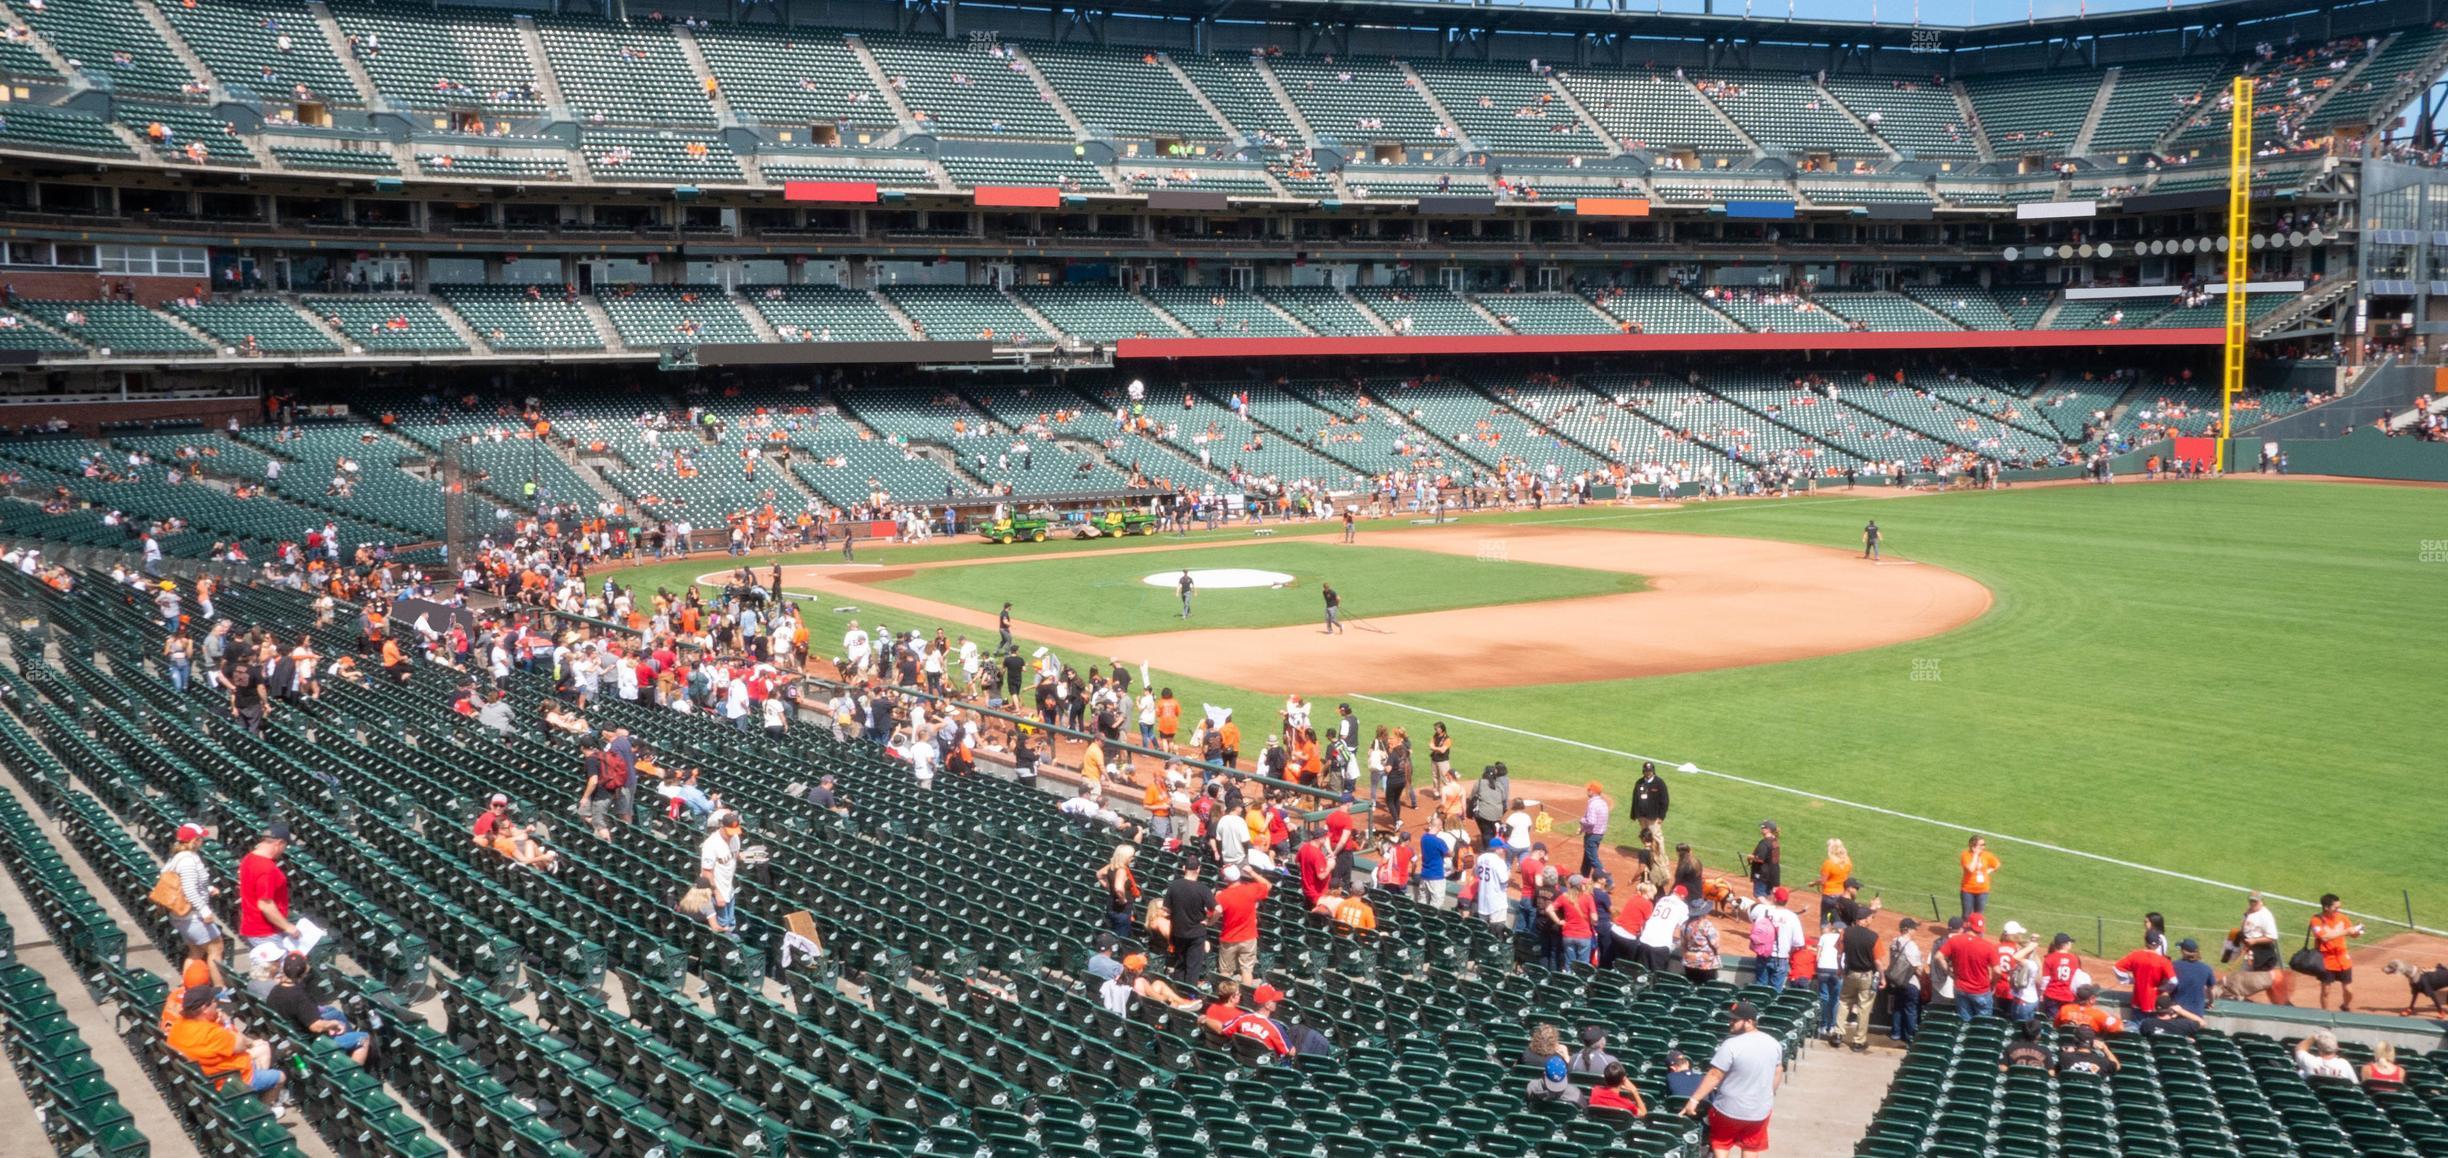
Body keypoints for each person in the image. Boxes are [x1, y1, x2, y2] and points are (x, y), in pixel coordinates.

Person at [1680, 1001, 1781, 1158]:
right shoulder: (1773, 1043)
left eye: (1735, 1020)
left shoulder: (1731, 1044)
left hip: (1729, 1109)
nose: (1730, 1023)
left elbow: (1715, 1075)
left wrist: (1694, 1100)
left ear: (1749, 1022)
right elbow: (1777, 1071)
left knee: (1721, 1143)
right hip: (1759, 1110)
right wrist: (1768, 1094)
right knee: (1751, 1147)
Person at [167, 987, 288, 1118]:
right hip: (231, 1080)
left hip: (207, 1074)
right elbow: (241, 1043)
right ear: (204, 1008)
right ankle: (260, 1112)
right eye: (214, 1001)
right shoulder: (211, 1033)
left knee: (262, 1047)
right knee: (280, 1077)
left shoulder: (178, 1026)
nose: (217, 1004)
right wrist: (227, 1023)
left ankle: (253, 1100)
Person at [265, 953, 370, 1066]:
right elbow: (315, 1026)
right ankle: (352, 1073)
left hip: (292, 1039)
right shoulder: (299, 996)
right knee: (363, 1037)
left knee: (335, 1015)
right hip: (311, 1043)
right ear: (305, 971)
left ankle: (348, 1050)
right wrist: (333, 1024)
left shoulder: (274, 992)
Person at [162, 823, 228, 988]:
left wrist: (208, 888)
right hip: (192, 916)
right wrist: (205, 911)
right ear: (194, 840)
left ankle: (188, 985)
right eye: (200, 838)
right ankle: (220, 990)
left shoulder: (178, 856)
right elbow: (189, 890)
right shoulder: (188, 860)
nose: (202, 841)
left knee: (196, 951)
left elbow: (184, 883)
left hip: (182, 915)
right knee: (216, 948)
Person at [236, 823, 298, 949]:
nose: (284, 850)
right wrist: (288, 927)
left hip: (252, 926)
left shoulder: (248, 858)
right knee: (276, 968)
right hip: (266, 932)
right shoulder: (267, 869)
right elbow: (265, 904)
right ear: (279, 843)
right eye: (284, 846)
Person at [1214, 863, 1269, 984]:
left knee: (1226, 971)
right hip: (1249, 937)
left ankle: (1227, 998)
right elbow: (1267, 885)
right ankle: (1246, 999)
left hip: (1229, 938)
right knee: (1247, 970)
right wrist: (1252, 872)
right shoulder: (1250, 889)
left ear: (1226, 879)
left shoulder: (1222, 896)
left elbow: (1211, 916)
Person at [2309, 893, 2364, 1011]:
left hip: (2343, 959)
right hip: (2326, 960)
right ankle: (2325, 1013)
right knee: (2326, 990)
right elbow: (2324, 937)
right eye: (2336, 908)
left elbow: (2352, 934)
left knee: (2348, 990)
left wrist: (2357, 931)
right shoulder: (2316, 920)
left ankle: (2345, 1006)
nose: (2338, 910)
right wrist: (2345, 931)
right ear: (2326, 907)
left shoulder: (2342, 917)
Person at [1940, 913, 1998, 1021]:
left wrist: (1950, 973)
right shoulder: (1988, 946)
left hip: (1961, 989)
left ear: (1967, 925)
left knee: (1965, 1024)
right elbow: (1997, 971)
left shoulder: (1954, 940)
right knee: (1983, 1026)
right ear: (1981, 929)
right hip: (1981, 991)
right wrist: (1993, 983)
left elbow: (1938, 957)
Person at [1161, 860, 1214, 979]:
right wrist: (1210, 921)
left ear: (1184, 868)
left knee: (1180, 964)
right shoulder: (1203, 889)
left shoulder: (1174, 885)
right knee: (1193, 968)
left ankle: (1179, 991)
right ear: (1198, 869)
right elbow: (1218, 909)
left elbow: (1166, 909)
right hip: (1196, 933)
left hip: (1179, 931)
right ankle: (1190, 995)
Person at [1836, 915, 1880, 1052]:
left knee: (1844, 1002)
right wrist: (1883, 977)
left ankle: (1838, 1034)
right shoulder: (1874, 936)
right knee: (1864, 1008)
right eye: (1870, 918)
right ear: (1865, 920)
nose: (1871, 920)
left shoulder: (1845, 932)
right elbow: (1878, 961)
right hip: (1866, 976)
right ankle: (1858, 1042)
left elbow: (1839, 953)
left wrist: (1839, 968)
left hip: (1850, 974)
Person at [698, 810, 742, 935]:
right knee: (723, 927)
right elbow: (706, 873)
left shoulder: (735, 838)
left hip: (729, 888)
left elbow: (736, 855)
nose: (732, 835)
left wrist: (752, 856)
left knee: (731, 923)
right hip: (716, 891)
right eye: (729, 832)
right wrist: (717, 894)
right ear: (722, 826)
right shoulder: (711, 844)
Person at [2114, 932, 2176, 1019]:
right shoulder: (2164, 961)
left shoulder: (2135, 955)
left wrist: (2130, 980)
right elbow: (2174, 981)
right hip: (2155, 1003)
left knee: (2137, 1027)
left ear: (2146, 942)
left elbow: (2117, 967)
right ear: (2158, 944)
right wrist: (2163, 988)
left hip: (2137, 1000)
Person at [1095, 845, 1140, 941]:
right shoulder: (1121, 870)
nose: (1133, 858)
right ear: (1125, 857)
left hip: (1111, 905)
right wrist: (1123, 900)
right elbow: (1118, 888)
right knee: (1121, 939)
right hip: (1121, 910)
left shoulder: (1111, 866)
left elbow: (1099, 874)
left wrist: (1108, 887)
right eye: (1131, 856)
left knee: (1115, 932)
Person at [1472, 840, 1512, 928]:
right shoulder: (1499, 862)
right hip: (1497, 904)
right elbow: (1504, 880)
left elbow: (1476, 874)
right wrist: (1508, 874)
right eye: (1502, 848)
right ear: (1496, 849)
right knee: (1497, 932)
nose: (1503, 850)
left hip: (1482, 903)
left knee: (1483, 931)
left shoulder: (1481, 858)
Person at [1958, 835, 1998, 920]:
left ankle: (1977, 932)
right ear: (1973, 846)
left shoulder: (1987, 855)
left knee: (1978, 916)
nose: (1983, 847)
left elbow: (1997, 864)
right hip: (1968, 890)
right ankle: (1964, 932)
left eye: (1984, 844)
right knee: (1966, 915)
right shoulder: (1966, 855)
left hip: (1983, 890)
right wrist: (1976, 854)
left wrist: (1988, 871)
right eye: (1981, 845)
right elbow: (1971, 869)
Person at [1631, 761, 1668, 847]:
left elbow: (1665, 801)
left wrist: (1661, 816)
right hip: (1642, 816)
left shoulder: (1659, 783)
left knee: (1656, 837)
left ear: (1653, 771)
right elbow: (1635, 799)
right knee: (1645, 836)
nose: (1648, 772)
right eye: (1646, 770)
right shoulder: (1639, 782)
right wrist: (1634, 815)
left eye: (1649, 770)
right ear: (1643, 771)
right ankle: (1648, 854)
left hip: (1653, 817)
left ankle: (1660, 858)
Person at [1577, 781, 1609, 875]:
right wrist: (1582, 829)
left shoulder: (1593, 804)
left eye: (1589, 789)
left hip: (1592, 835)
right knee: (1588, 856)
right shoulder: (1603, 803)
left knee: (1593, 859)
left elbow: (1591, 822)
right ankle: (1584, 875)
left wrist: (1581, 821)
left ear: (1593, 791)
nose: (1587, 791)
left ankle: (1608, 880)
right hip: (1599, 834)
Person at [1746, 820, 1780, 899]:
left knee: (1759, 895)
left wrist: (1750, 857)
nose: (1761, 829)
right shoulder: (1775, 841)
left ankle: (1764, 910)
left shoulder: (1765, 843)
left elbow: (1760, 859)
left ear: (1768, 829)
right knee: (1768, 896)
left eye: (1763, 827)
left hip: (1763, 874)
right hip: (1773, 874)